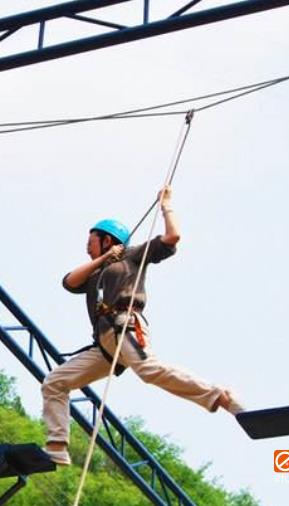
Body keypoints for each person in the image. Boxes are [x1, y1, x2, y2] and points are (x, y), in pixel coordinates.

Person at [41, 185, 243, 466]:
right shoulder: (94, 272)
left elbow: (173, 237)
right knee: (55, 382)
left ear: (107, 239)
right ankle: (57, 445)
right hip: (105, 345)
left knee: (149, 371)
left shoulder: (131, 256)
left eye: (92, 240)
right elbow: (69, 282)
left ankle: (220, 396)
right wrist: (102, 259)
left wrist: (166, 206)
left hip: (125, 325)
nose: (87, 246)